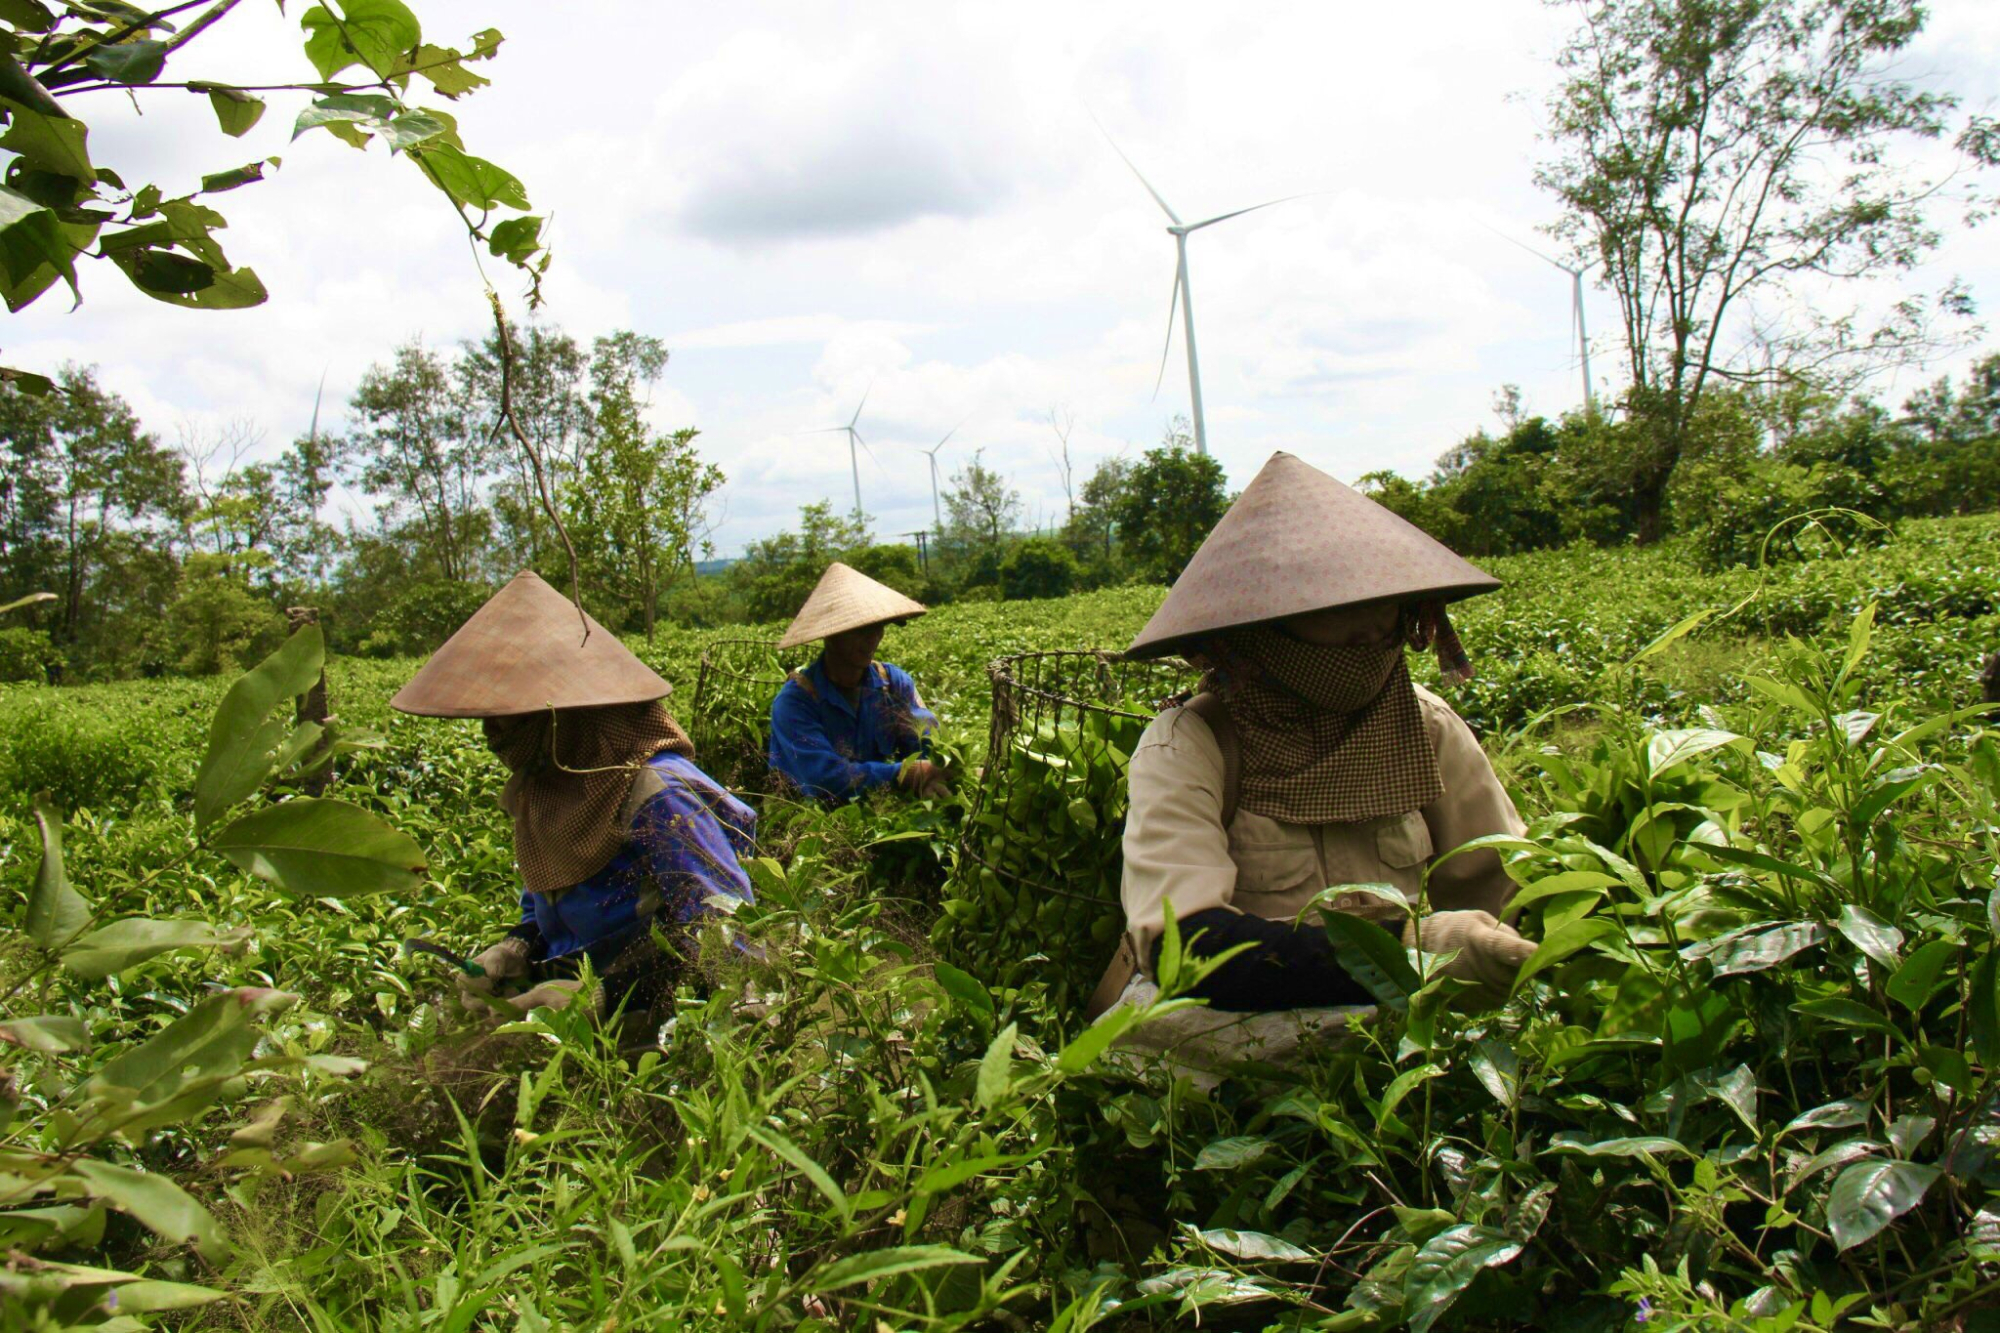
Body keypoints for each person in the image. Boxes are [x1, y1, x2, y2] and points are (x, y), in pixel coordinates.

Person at [1097, 451, 1536, 1075]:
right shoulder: (1192, 744)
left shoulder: (1424, 725)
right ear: (1264, 629)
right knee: (1156, 1038)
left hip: (1417, 1020)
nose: (1367, 634)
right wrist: (1403, 951)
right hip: (1255, 1017)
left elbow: (1507, 880)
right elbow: (1183, 943)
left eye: (1381, 606)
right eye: (1334, 611)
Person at [391, 570, 757, 1020]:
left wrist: (607, 995)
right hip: (577, 1000)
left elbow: (725, 937)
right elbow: (547, 895)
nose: (491, 734)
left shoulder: (660, 796)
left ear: (565, 717)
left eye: (508, 718)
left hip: (669, 1015)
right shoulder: (543, 789)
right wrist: (516, 946)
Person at [767, 561, 947, 802]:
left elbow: (926, 744)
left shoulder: (893, 684)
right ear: (831, 634)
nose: (872, 639)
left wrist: (929, 774)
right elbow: (823, 780)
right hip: (812, 827)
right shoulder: (795, 703)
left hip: (876, 809)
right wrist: (904, 773)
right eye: (860, 631)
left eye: (878, 628)